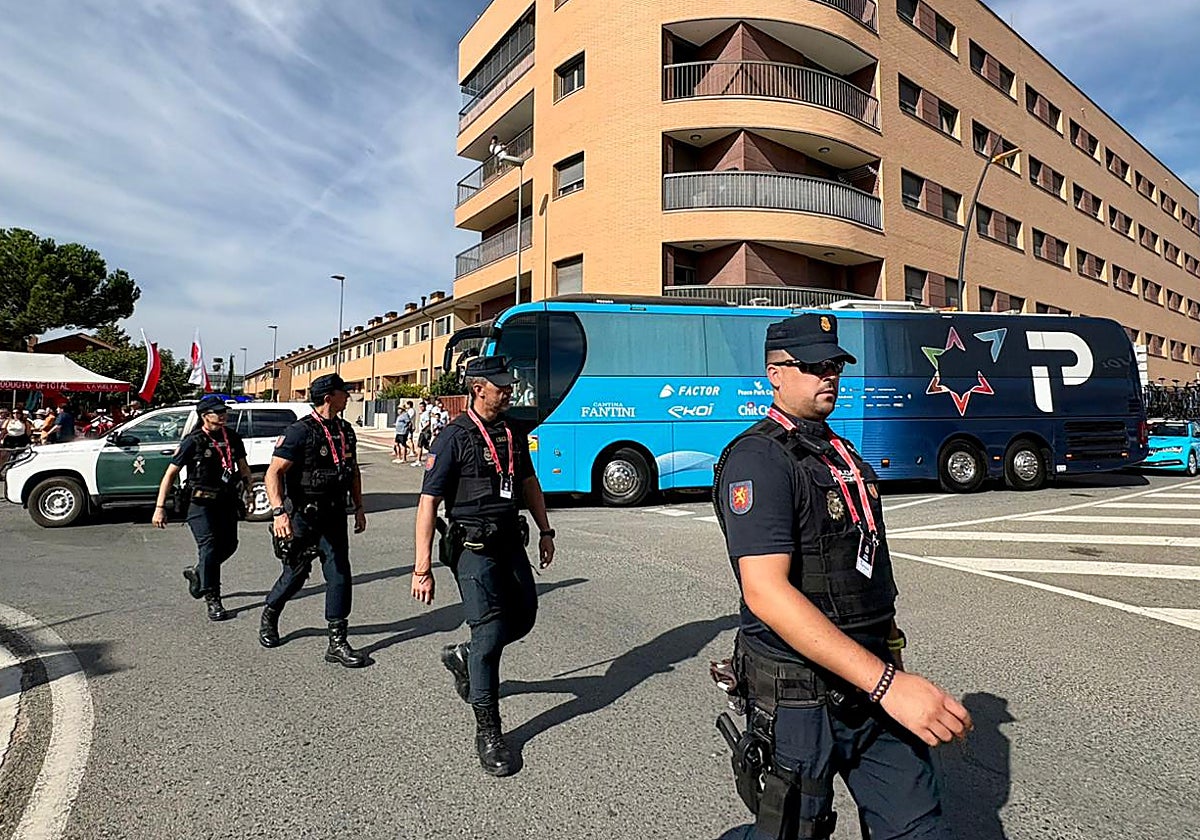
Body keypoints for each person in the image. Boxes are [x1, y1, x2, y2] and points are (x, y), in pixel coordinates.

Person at [712, 313, 972, 840]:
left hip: (870, 679)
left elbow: (866, 569)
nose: (828, 375)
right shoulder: (758, 459)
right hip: (800, 696)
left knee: (919, 829)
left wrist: (891, 659)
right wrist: (889, 685)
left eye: (834, 365)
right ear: (775, 374)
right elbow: (765, 592)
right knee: (793, 832)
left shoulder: (839, 453)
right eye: (812, 366)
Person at [412, 355, 555, 777]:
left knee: (524, 617)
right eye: (501, 385)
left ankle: (465, 656)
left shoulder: (512, 431)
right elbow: (428, 503)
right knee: (490, 634)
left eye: (509, 384)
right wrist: (422, 567)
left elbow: (528, 482)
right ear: (478, 389)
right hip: (472, 547)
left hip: (510, 539)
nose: (509, 390)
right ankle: (489, 732)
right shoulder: (453, 437)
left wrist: (546, 530)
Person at [261, 373, 368, 668]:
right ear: (328, 397)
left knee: (339, 575)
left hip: (334, 515)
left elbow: (353, 470)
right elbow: (273, 473)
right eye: (343, 392)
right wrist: (279, 512)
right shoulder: (300, 432)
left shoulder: (345, 430)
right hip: (303, 517)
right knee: (295, 575)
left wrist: (359, 506)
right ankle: (270, 612)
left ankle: (337, 642)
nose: (348, 396)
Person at [152, 395, 251, 620]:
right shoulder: (193, 441)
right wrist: (160, 507)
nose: (223, 415)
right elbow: (170, 474)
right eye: (218, 412)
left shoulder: (232, 437)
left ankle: (199, 571)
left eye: (224, 411)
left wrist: (250, 492)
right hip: (199, 503)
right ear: (205, 416)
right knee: (209, 546)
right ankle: (213, 598)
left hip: (226, 500)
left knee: (230, 545)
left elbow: (243, 467)